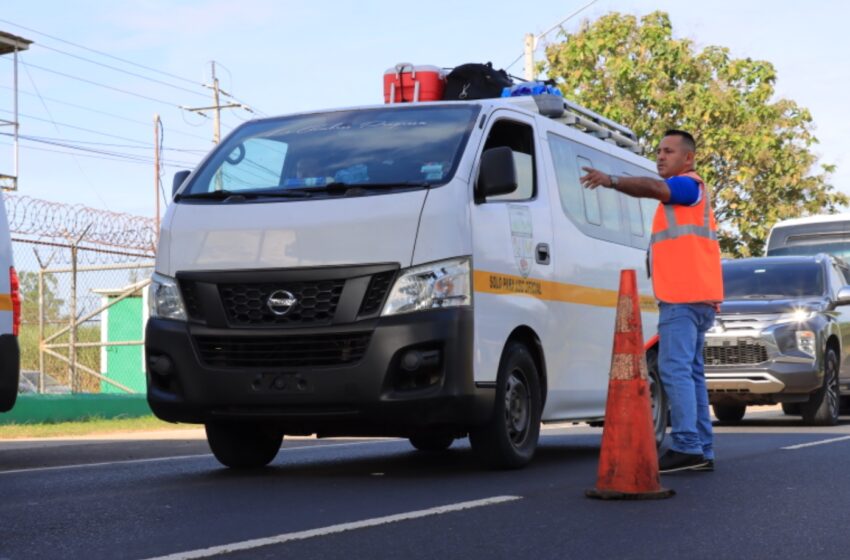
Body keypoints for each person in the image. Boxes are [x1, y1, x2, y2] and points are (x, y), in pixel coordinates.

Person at [580, 129, 723, 473]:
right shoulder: (688, 194)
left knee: (674, 370)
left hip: (683, 299)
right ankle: (701, 448)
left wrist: (612, 180)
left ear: (688, 158)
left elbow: (655, 189)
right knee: (690, 373)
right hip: (698, 298)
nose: (660, 156)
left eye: (669, 151)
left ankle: (688, 446)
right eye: (658, 151)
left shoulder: (688, 186)